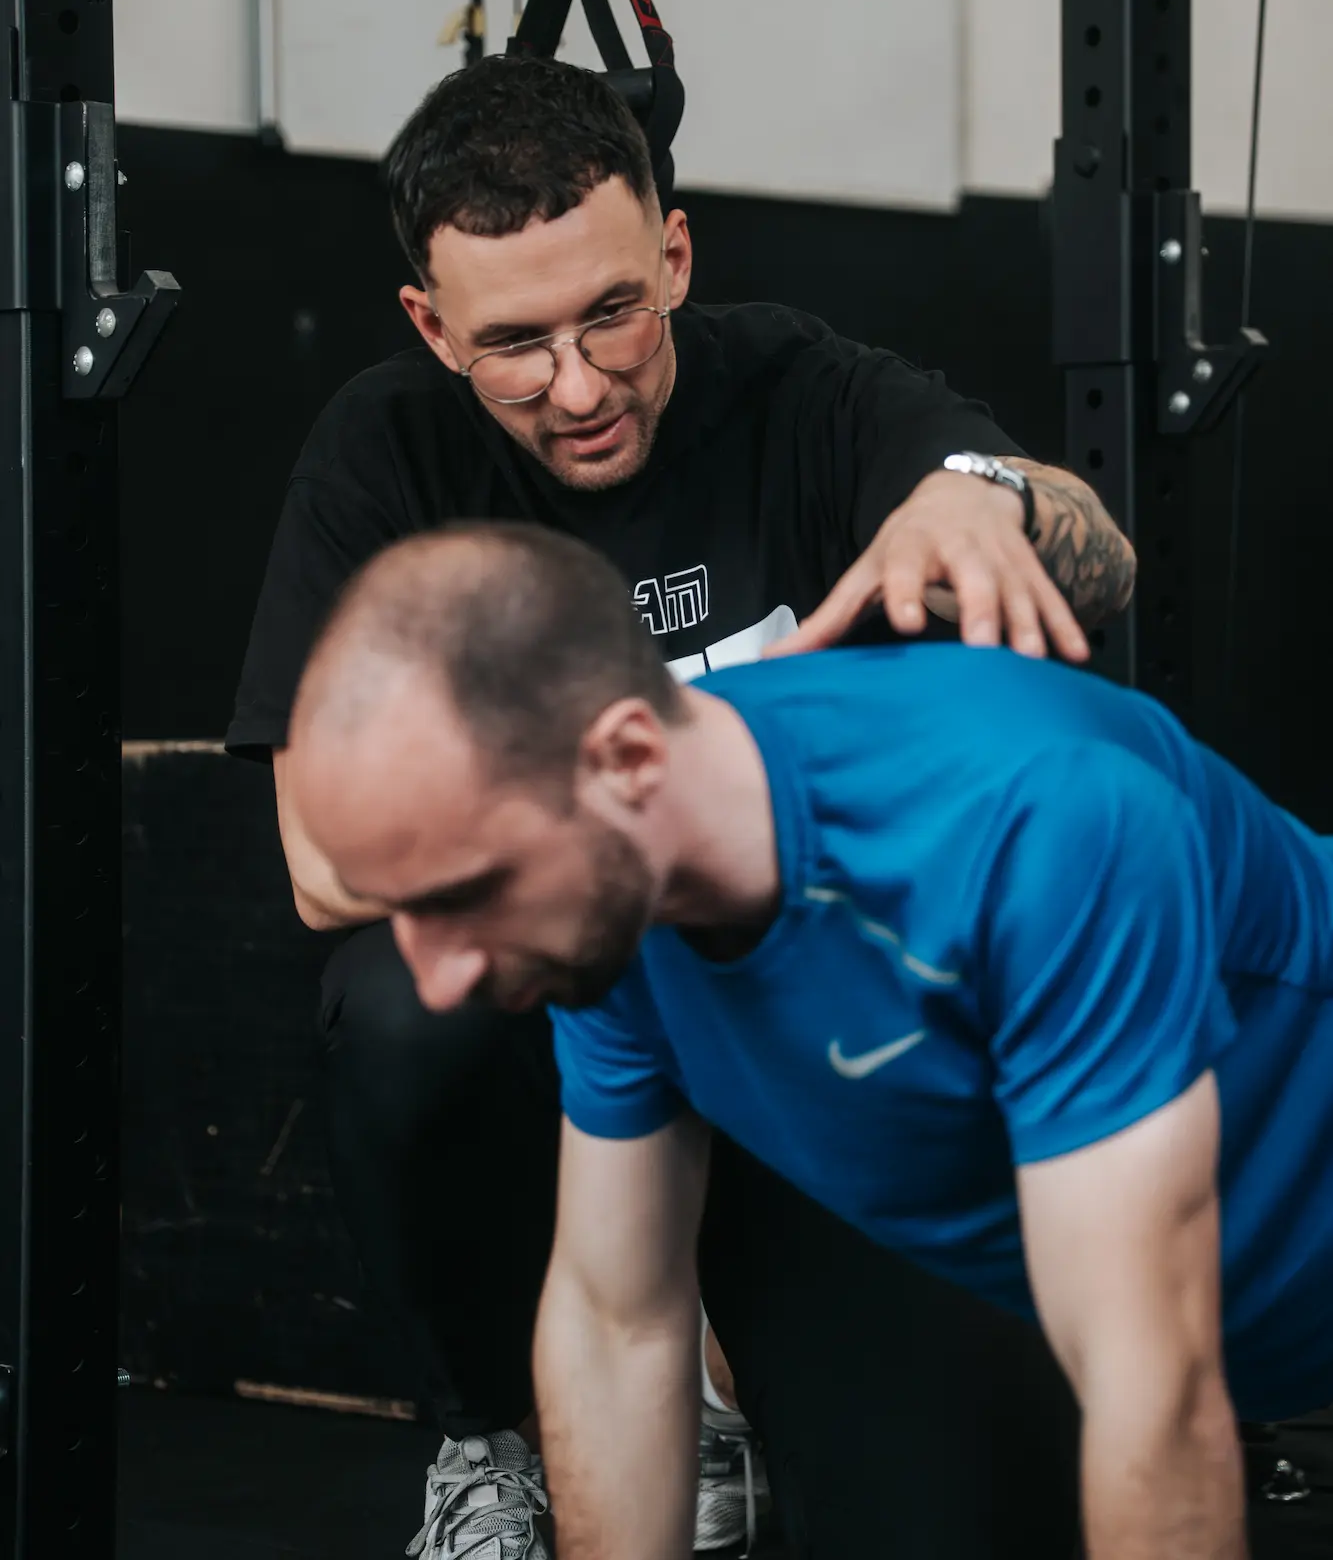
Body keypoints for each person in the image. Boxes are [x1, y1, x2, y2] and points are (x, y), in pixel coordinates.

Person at [228, 55, 1136, 1558]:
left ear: (675, 254)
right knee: (399, 1009)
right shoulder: (385, 452)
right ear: (429, 327)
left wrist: (994, 496)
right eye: (513, 344)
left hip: (803, 1011)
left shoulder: (801, 387)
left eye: (612, 316)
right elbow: (324, 865)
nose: (577, 387)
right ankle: (490, 1437)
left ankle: (751, 1379)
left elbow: (1091, 549)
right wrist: (645, 850)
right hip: (571, 1002)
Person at [287, 523, 1333, 1560]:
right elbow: (618, 1318)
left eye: (465, 894)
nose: (437, 975)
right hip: (1109, 1297)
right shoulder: (604, 874)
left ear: (630, 758)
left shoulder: (1035, 818)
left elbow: (1153, 1389)